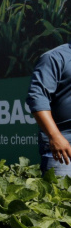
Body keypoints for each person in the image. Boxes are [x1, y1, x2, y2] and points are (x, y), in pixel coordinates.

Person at [27, 42, 71, 176]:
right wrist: (55, 136)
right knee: (62, 197)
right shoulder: (54, 57)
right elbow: (37, 96)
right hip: (64, 151)